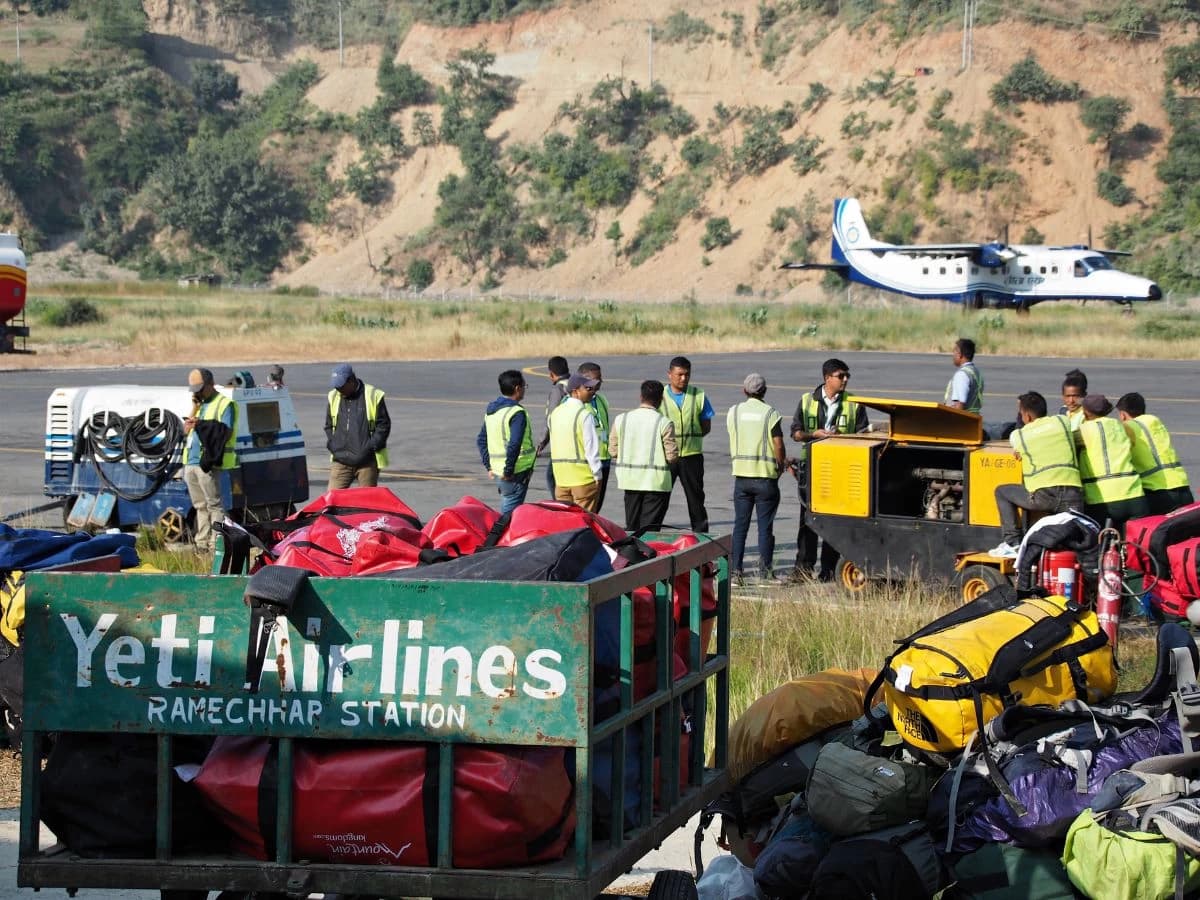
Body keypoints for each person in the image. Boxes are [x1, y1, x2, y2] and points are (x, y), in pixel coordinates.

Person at [787, 358, 869, 581]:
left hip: (840, 469)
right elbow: (795, 432)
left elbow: (864, 434)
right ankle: (803, 569)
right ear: (827, 378)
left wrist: (844, 438)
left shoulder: (854, 403)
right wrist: (814, 435)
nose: (845, 380)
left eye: (846, 376)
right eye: (841, 376)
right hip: (812, 467)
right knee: (808, 519)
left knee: (835, 521)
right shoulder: (807, 401)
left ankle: (829, 570)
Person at [989, 391, 1083, 557]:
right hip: (1073, 495)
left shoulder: (1019, 436)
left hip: (1044, 497)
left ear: (1027, 416)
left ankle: (1013, 542)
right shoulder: (1062, 422)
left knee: (1001, 491)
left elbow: (1018, 441)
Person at [728, 374, 788, 582]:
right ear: (764, 391)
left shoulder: (733, 412)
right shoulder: (770, 413)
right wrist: (781, 465)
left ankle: (735, 571)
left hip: (741, 477)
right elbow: (778, 444)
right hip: (764, 477)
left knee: (740, 526)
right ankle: (765, 572)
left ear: (744, 391)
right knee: (765, 527)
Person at [609, 379, 678, 533]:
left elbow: (613, 450)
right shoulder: (664, 422)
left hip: (630, 480)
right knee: (650, 529)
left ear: (641, 397)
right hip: (655, 483)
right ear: (661, 399)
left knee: (632, 527)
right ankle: (649, 556)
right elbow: (672, 456)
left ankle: (631, 555)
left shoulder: (622, 419)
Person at [182, 367, 237, 555]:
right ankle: (202, 543)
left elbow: (225, 432)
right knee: (200, 506)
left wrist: (202, 426)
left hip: (207, 463)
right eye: (194, 390)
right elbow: (187, 431)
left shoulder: (224, 404)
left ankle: (216, 544)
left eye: (200, 388)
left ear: (210, 385)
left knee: (214, 505)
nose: (197, 392)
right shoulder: (200, 405)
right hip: (191, 461)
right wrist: (194, 410)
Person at [1077, 393, 1149, 534]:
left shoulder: (1083, 431)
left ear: (1085, 413)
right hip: (1134, 495)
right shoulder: (1122, 427)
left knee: (1098, 544)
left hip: (1103, 501)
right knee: (1135, 548)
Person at [659, 356, 714, 532]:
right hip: (667, 457)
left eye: (687, 375)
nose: (683, 379)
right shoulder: (659, 396)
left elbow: (706, 426)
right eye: (679, 374)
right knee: (659, 500)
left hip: (692, 456)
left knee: (696, 501)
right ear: (670, 374)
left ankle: (701, 540)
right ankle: (651, 537)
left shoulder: (698, 395)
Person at [1116, 392, 1194, 515]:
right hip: (1183, 488)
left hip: (1158, 493)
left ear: (1123, 414)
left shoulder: (1127, 428)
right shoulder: (1155, 422)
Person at [477, 369, 536, 514]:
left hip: (498, 470)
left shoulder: (492, 411)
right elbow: (514, 444)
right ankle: (499, 536)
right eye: (524, 386)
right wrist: (508, 470)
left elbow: (481, 440)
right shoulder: (516, 413)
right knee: (509, 516)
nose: (524, 390)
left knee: (509, 509)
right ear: (517, 388)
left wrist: (489, 466)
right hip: (515, 472)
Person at [324, 363, 391, 490]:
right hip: (341, 461)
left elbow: (383, 426)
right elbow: (329, 425)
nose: (339, 391)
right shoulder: (334, 396)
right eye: (337, 387)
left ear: (351, 381)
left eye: (341, 387)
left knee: (366, 504)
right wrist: (333, 446)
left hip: (366, 462)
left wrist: (369, 448)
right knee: (331, 501)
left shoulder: (372, 395)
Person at [549, 372, 603, 511]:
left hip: (561, 479)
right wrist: (598, 475)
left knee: (566, 524)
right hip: (583, 480)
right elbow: (591, 447)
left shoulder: (555, 413)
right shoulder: (584, 415)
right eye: (587, 388)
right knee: (584, 524)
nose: (591, 392)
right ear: (576, 391)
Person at [579, 362, 612, 513]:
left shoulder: (601, 400)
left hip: (604, 459)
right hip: (587, 463)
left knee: (596, 508)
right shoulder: (576, 404)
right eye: (596, 379)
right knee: (585, 508)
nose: (601, 381)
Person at [537, 356, 571, 496]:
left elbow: (551, 418)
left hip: (562, 442)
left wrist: (541, 443)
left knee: (552, 477)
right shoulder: (574, 385)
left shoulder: (558, 390)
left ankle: (561, 506)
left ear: (551, 374)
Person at [944, 337, 983, 413]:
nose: (953, 356)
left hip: (961, 422)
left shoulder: (962, 375)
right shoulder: (975, 372)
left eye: (954, 352)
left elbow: (959, 404)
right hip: (973, 419)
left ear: (959, 354)